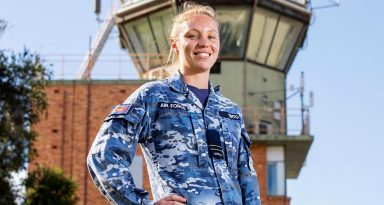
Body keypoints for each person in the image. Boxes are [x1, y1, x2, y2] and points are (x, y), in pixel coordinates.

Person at [87, 2, 261, 205]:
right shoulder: (153, 97)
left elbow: (247, 178)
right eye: (192, 35)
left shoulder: (230, 111)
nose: (204, 43)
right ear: (175, 44)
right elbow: (103, 155)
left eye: (211, 36)